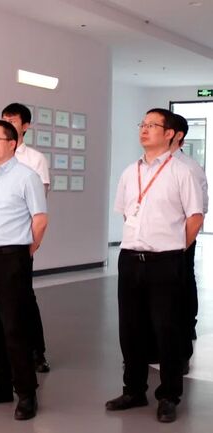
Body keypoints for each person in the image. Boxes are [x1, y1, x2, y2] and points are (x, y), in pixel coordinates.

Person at [107, 108, 203, 423]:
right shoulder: (129, 171)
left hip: (166, 260)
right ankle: (133, 390)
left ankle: (169, 395)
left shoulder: (182, 171)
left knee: (167, 329)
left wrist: (174, 248)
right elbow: (127, 212)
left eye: (152, 125)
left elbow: (195, 217)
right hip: (130, 259)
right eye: (143, 124)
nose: (144, 129)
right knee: (130, 328)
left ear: (169, 133)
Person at [0, 120, 47, 420]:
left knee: (15, 326)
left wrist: (26, 251)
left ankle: (26, 392)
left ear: (12, 143)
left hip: (11, 258)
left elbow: (40, 220)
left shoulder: (27, 177)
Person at [0, 103, 51, 373]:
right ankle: (10, 350)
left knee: (23, 295)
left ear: (25, 126)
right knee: (2, 298)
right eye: (4, 119)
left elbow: (39, 203)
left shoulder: (34, 159)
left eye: (13, 119)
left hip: (20, 238)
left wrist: (33, 241)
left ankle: (36, 351)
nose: (7, 122)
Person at [170, 113, 208, 372]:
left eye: (153, 126)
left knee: (182, 283)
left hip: (180, 239)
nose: (145, 130)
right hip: (154, 242)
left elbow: (199, 209)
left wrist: (183, 242)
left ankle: (185, 333)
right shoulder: (142, 167)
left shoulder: (189, 168)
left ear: (175, 135)